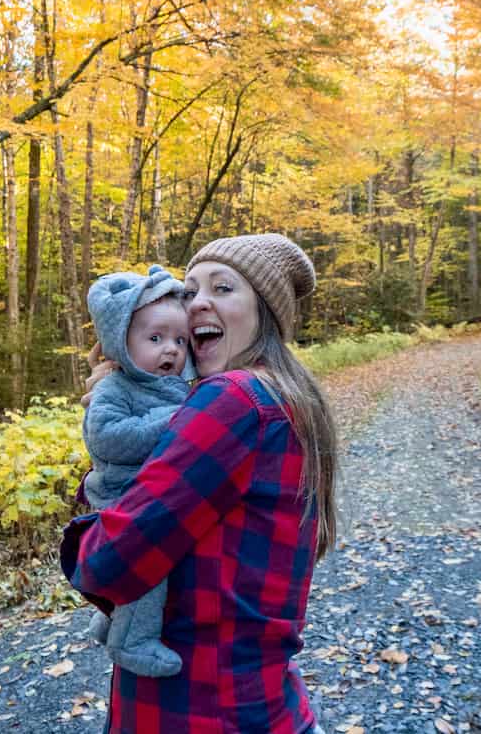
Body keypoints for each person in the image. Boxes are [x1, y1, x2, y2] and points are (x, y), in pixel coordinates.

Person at [61, 233, 338, 733]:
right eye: (189, 292)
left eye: (223, 288)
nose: (198, 303)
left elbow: (105, 564)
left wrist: (101, 490)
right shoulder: (286, 398)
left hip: (194, 710)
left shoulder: (230, 400)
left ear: (265, 315)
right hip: (264, 702)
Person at [81, 264, 195, 677]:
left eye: (180, 340)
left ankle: (111, 618)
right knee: (151, 564)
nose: (171, 350)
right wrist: (173, 420)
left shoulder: (170, 382)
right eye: (155, 338)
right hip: (119, 493)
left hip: (148, 489)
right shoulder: (115, 387)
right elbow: (107, 438)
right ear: (122, 343)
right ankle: (132, 642)